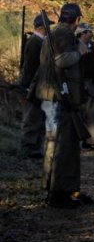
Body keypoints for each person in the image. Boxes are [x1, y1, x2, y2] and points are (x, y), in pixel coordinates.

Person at [36, 3, 94, 208]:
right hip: (60, 98)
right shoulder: (63, 34)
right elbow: (62, 61)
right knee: (63, 145)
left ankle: (60, 190)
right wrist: (80, 48)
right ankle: (59, 193)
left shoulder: (55, 33)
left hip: (55, 96)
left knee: (56, 143)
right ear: (77, 19)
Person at [20, 14, 54, 159]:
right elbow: (29, 68)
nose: (49, 29)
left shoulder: (40, 42)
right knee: (31, 118)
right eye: (47, 26)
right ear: (41, 27)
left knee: (38, 118)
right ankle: (29, 149)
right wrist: (27, 87)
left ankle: (35, 148)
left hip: (38, 86)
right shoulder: (35, 43)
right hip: (32, 87)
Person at [76, 23, 94, 151]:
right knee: (78, 113)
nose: (91, 34)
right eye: (88, 31)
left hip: (91, 83)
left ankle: (91, 141)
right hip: (77, 84)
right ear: (82, 33)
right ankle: (76, 141)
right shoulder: (74, 46)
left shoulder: (93, 47)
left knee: (91, 114)